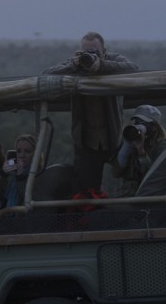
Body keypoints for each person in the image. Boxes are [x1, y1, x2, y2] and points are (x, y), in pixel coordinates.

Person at [43, 31, 139, 193]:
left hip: (113, 139)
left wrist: (102, 65)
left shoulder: (113, 60)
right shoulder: (76, 64)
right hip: (86, 143)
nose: (90, 56)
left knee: (127, 182)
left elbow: (134, 69)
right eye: (86, 52)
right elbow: (46, 75)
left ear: (104, 52)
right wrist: (73, 66)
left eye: (95, 52)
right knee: (86, 191)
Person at [110, 105, 166, 197]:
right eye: (136, 122)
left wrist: (141, 151)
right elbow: (115, 172)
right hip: (127, 194)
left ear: (154, 126)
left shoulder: (162, 147)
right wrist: (126, 144)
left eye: (143, 123)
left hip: (150, 195)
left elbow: (155, 177)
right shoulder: (132, 140)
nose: (138, 125)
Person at [2, 133, 37, 207]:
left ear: (35, 154)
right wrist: (2, 175)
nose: (22, 155)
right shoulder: (11, 175)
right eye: (18, 151)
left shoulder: (39, 175)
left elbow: (29, 200)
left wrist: (20, 178)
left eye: (27, 151)